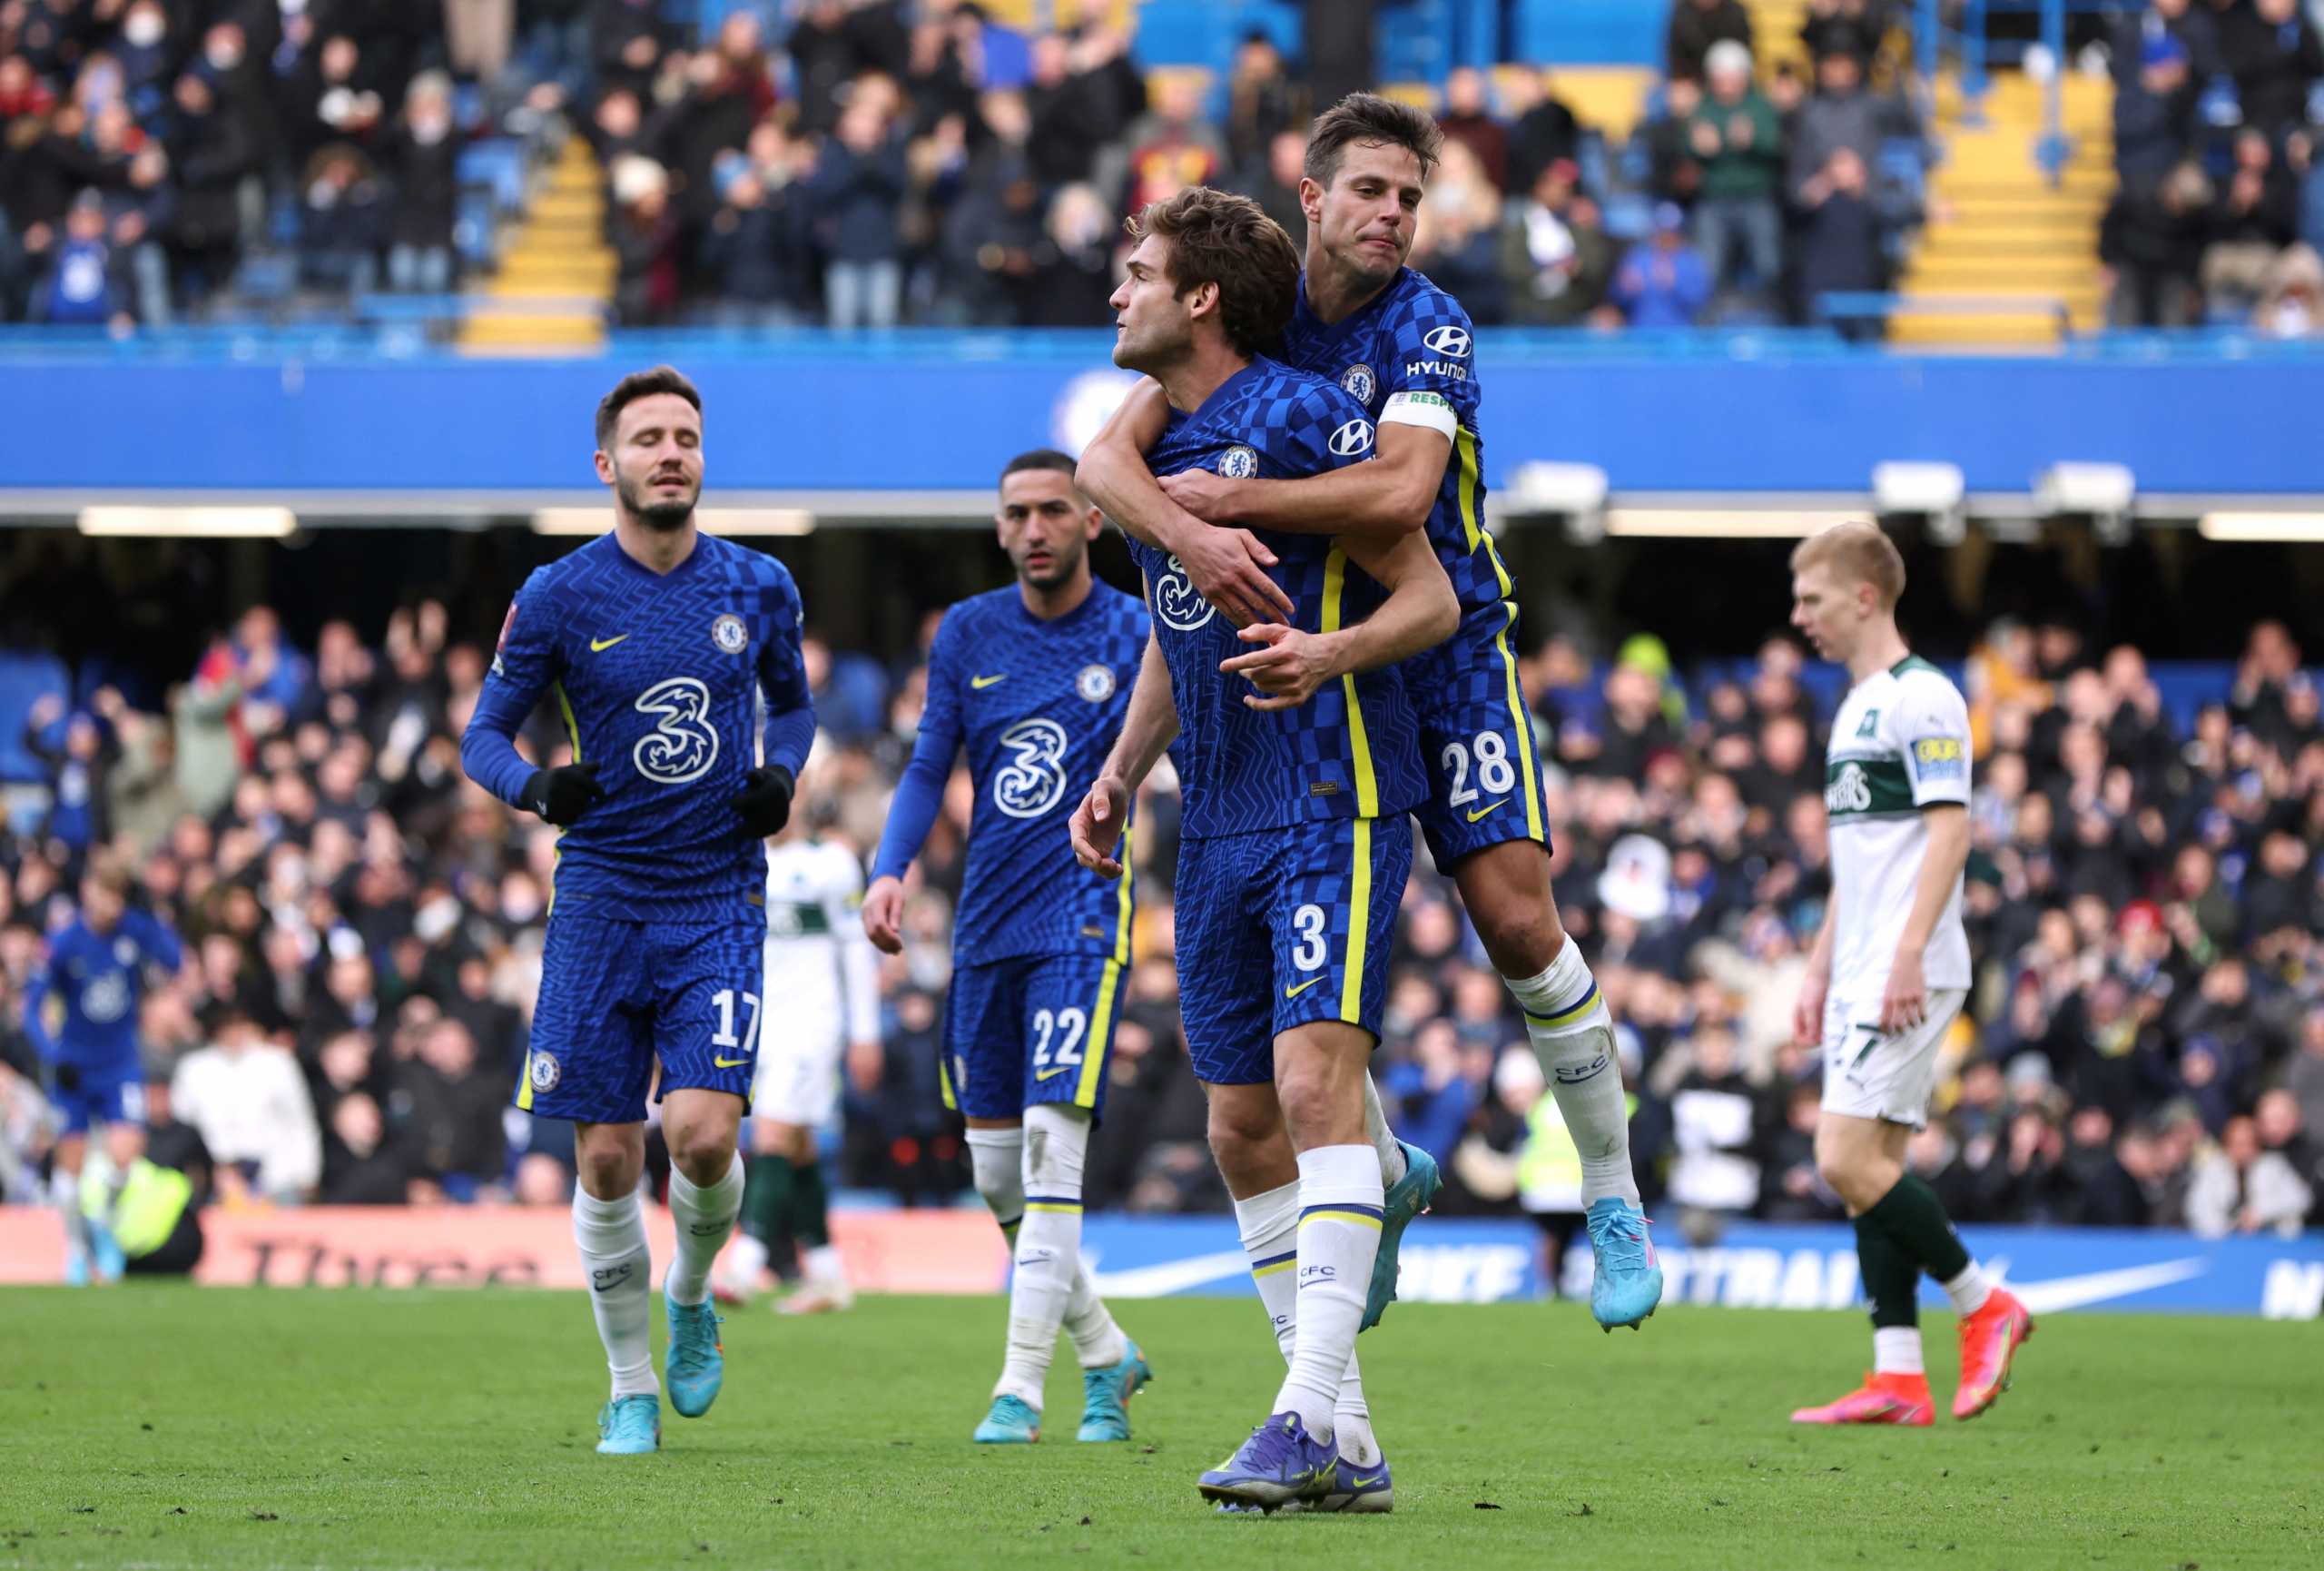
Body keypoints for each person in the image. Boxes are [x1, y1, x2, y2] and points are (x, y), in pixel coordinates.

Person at [1078, 94, 1662, 1339]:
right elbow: (1107, 467)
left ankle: (1612, 1195)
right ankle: (1379, 1177)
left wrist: (1230, 509)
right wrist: (1188, 528)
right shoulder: (1250, 308)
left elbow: (1401, 493)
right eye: (1372, 192)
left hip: (1441, 643)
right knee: (1300, 1007)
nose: (1395, 214)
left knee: (1514, 917)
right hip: (1304, 658)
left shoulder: (1429, 325)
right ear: (1314, 195)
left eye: (1412, 194)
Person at [1068, 184, 1459, 1513]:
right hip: (1216, 813)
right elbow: (1183, 632)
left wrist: (1327, 650)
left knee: (1308, 1092)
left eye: (1137, 271)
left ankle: (1301, 1419)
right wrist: (1122, 771)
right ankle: (1340, 1434)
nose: (1116, 291)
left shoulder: (1296, 416)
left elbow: (1430, 591)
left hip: (1332, 793)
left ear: (1200, 298)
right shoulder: (1158, 437)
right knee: (1239, 1126)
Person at [458, 366, 816, 1457]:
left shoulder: (758, 584)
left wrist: (781, 775)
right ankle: (627, 1385)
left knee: (701, 1136)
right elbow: (483, 734)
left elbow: (792, 710)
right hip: (602, 896)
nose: (672, 453)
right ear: (607, 465)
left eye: (687, 437)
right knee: (607, 1156)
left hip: (716, 891)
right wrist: (535, 788)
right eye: (650, 439)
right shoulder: (560, 593)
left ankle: (694, 1289)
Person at [862, 449, 1154, 1446]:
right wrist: (891, 865)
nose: (1034, 527)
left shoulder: (1134, 629)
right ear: (999, 527)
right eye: (1017, 512)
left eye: (1053, 510)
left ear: (1091, 521)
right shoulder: (968, 633)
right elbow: (927, 762)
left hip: (1081, 917)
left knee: (1047, 1153)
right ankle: (1108, 1352)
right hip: (985, 923)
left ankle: (1020, 1389)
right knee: (994, 1173)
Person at [1787, 522, 2034, 1428]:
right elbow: (1863, 861)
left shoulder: (1923, 697)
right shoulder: (1856, 705)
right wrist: (1818, 968)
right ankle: (1897, 1373)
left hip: (1906, 963)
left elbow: (1950, 830)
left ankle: (1984, 1302)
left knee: (1840, 1156)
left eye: (1810, 597)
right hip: (1861, 962)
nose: (1796, 614)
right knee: (1874, 1165)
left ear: (1862, 595)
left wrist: (1900, 953)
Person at [720, 791, 879, 1315]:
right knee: (799, 1145)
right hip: (763, 1022)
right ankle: (829, 1274)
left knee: (772, 1130)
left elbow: (855, 951)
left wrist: (865, 1032)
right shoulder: (742, 859)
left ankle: (746, 1263)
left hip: (814, 1024)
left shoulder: (830, 864)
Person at [22, 853, 182, 1283]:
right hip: (74, 1067)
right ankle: (77, 1250)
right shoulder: (64, 942)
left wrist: (153, 913)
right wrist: (51, 1054)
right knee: (69, 1167)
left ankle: (104, 1228)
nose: (109, 903)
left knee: (125, 1155)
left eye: (118, 894)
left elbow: (175, 961)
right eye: (103, 891)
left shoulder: (135, 929)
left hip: (119, 1063)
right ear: (87, 890)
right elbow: (31, 1007)